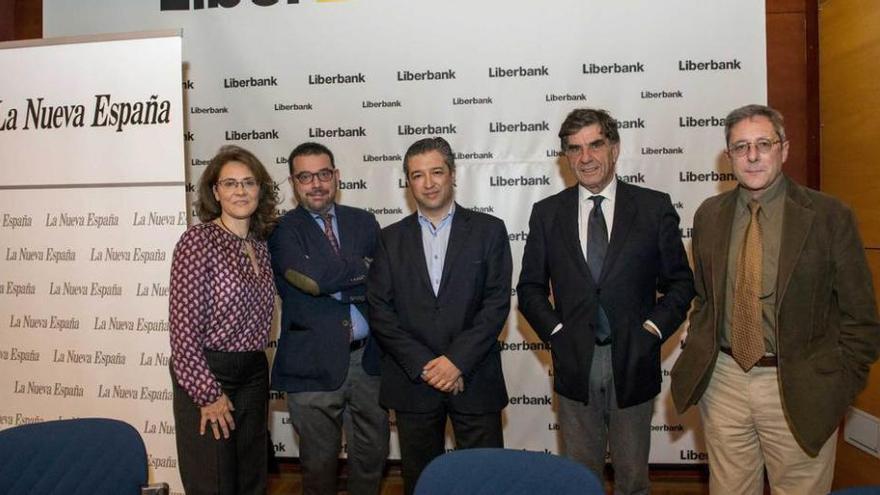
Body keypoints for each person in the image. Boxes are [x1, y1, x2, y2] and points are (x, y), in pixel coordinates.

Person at [671, 104, 880, 495]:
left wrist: (836, 386)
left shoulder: (829, 216)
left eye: (763, 144)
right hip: (725, 381)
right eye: (741, 146)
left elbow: (861, 318)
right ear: (728, 155)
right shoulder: (709, 215)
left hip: (800, 385)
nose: (752, 156)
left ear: (783, 149)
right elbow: (704, 299)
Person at [517, 108, 695, 494]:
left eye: (595, 145)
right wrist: (558, 333)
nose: (586, 158)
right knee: (580, 480)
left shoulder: (653, 207)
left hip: (634, 358)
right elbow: (529, 289)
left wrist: (652, 331)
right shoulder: (547, 214)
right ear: (566, 156)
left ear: (614, 148)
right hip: (574, 362)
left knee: (633, 480)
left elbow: (681, 284)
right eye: (575, 149)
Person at [367, 137, 512, 495]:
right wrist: (428, 366)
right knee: (422, 482)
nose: (428, 183)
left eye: (436, 172)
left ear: (452, 175)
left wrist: (456, 362)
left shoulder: (489, 231)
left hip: (475, 378)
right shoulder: (389, 239)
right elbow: (381, 311)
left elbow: (495, 305)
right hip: (413, 383)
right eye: (418, 175)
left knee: (486, 481)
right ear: (408, 182)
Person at [269, 142, 389, 495]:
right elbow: (313, 280)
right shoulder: (280, 230)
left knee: (372, 456)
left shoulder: (364, 221)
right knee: (318, 466)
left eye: (323, 174)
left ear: (336, 176)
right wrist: (359, 273)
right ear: (293, 182)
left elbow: (382, 279)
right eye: (305, 177)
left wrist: (336, 280)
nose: (316, 184)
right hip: (311, 364)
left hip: (368, 362)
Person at [169, 144, 278, 495]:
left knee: (251, 479)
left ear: (260, 189)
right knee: (213, 482)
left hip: (253, 372)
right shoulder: (197, 242)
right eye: (230, 184)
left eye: (248, 182)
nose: (240, 191)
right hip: (209, 373)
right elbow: (183, 334)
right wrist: (207, 393)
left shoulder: (261, 244)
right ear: (215, 191)